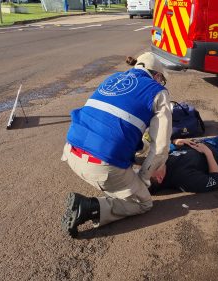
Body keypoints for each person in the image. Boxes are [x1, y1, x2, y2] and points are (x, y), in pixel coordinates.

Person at [60, 52, 172, 238]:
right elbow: (160, 149)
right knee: (144, 203)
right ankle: (90, 208)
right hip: (100, 168)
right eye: (162, 80)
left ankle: (115, 183)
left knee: (120, 154)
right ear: (158, 76)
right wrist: (143, 180)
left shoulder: (113, 78)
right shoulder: (157, 91)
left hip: (71, 152)